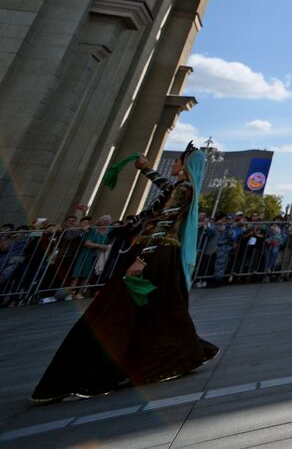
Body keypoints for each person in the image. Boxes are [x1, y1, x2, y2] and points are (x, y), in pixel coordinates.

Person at [31, 144, 218, 401]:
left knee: (116, 310)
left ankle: (86, 372)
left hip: (153, 254)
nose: (172, 165)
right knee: (165, 310)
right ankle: (185, 353)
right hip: (161, 255)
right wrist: (147, 170)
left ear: (185, 166)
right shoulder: (180, 189)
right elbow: (166, 188)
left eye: (176, 161)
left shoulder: (184, 190)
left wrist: (141, 259)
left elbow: (162, 224)